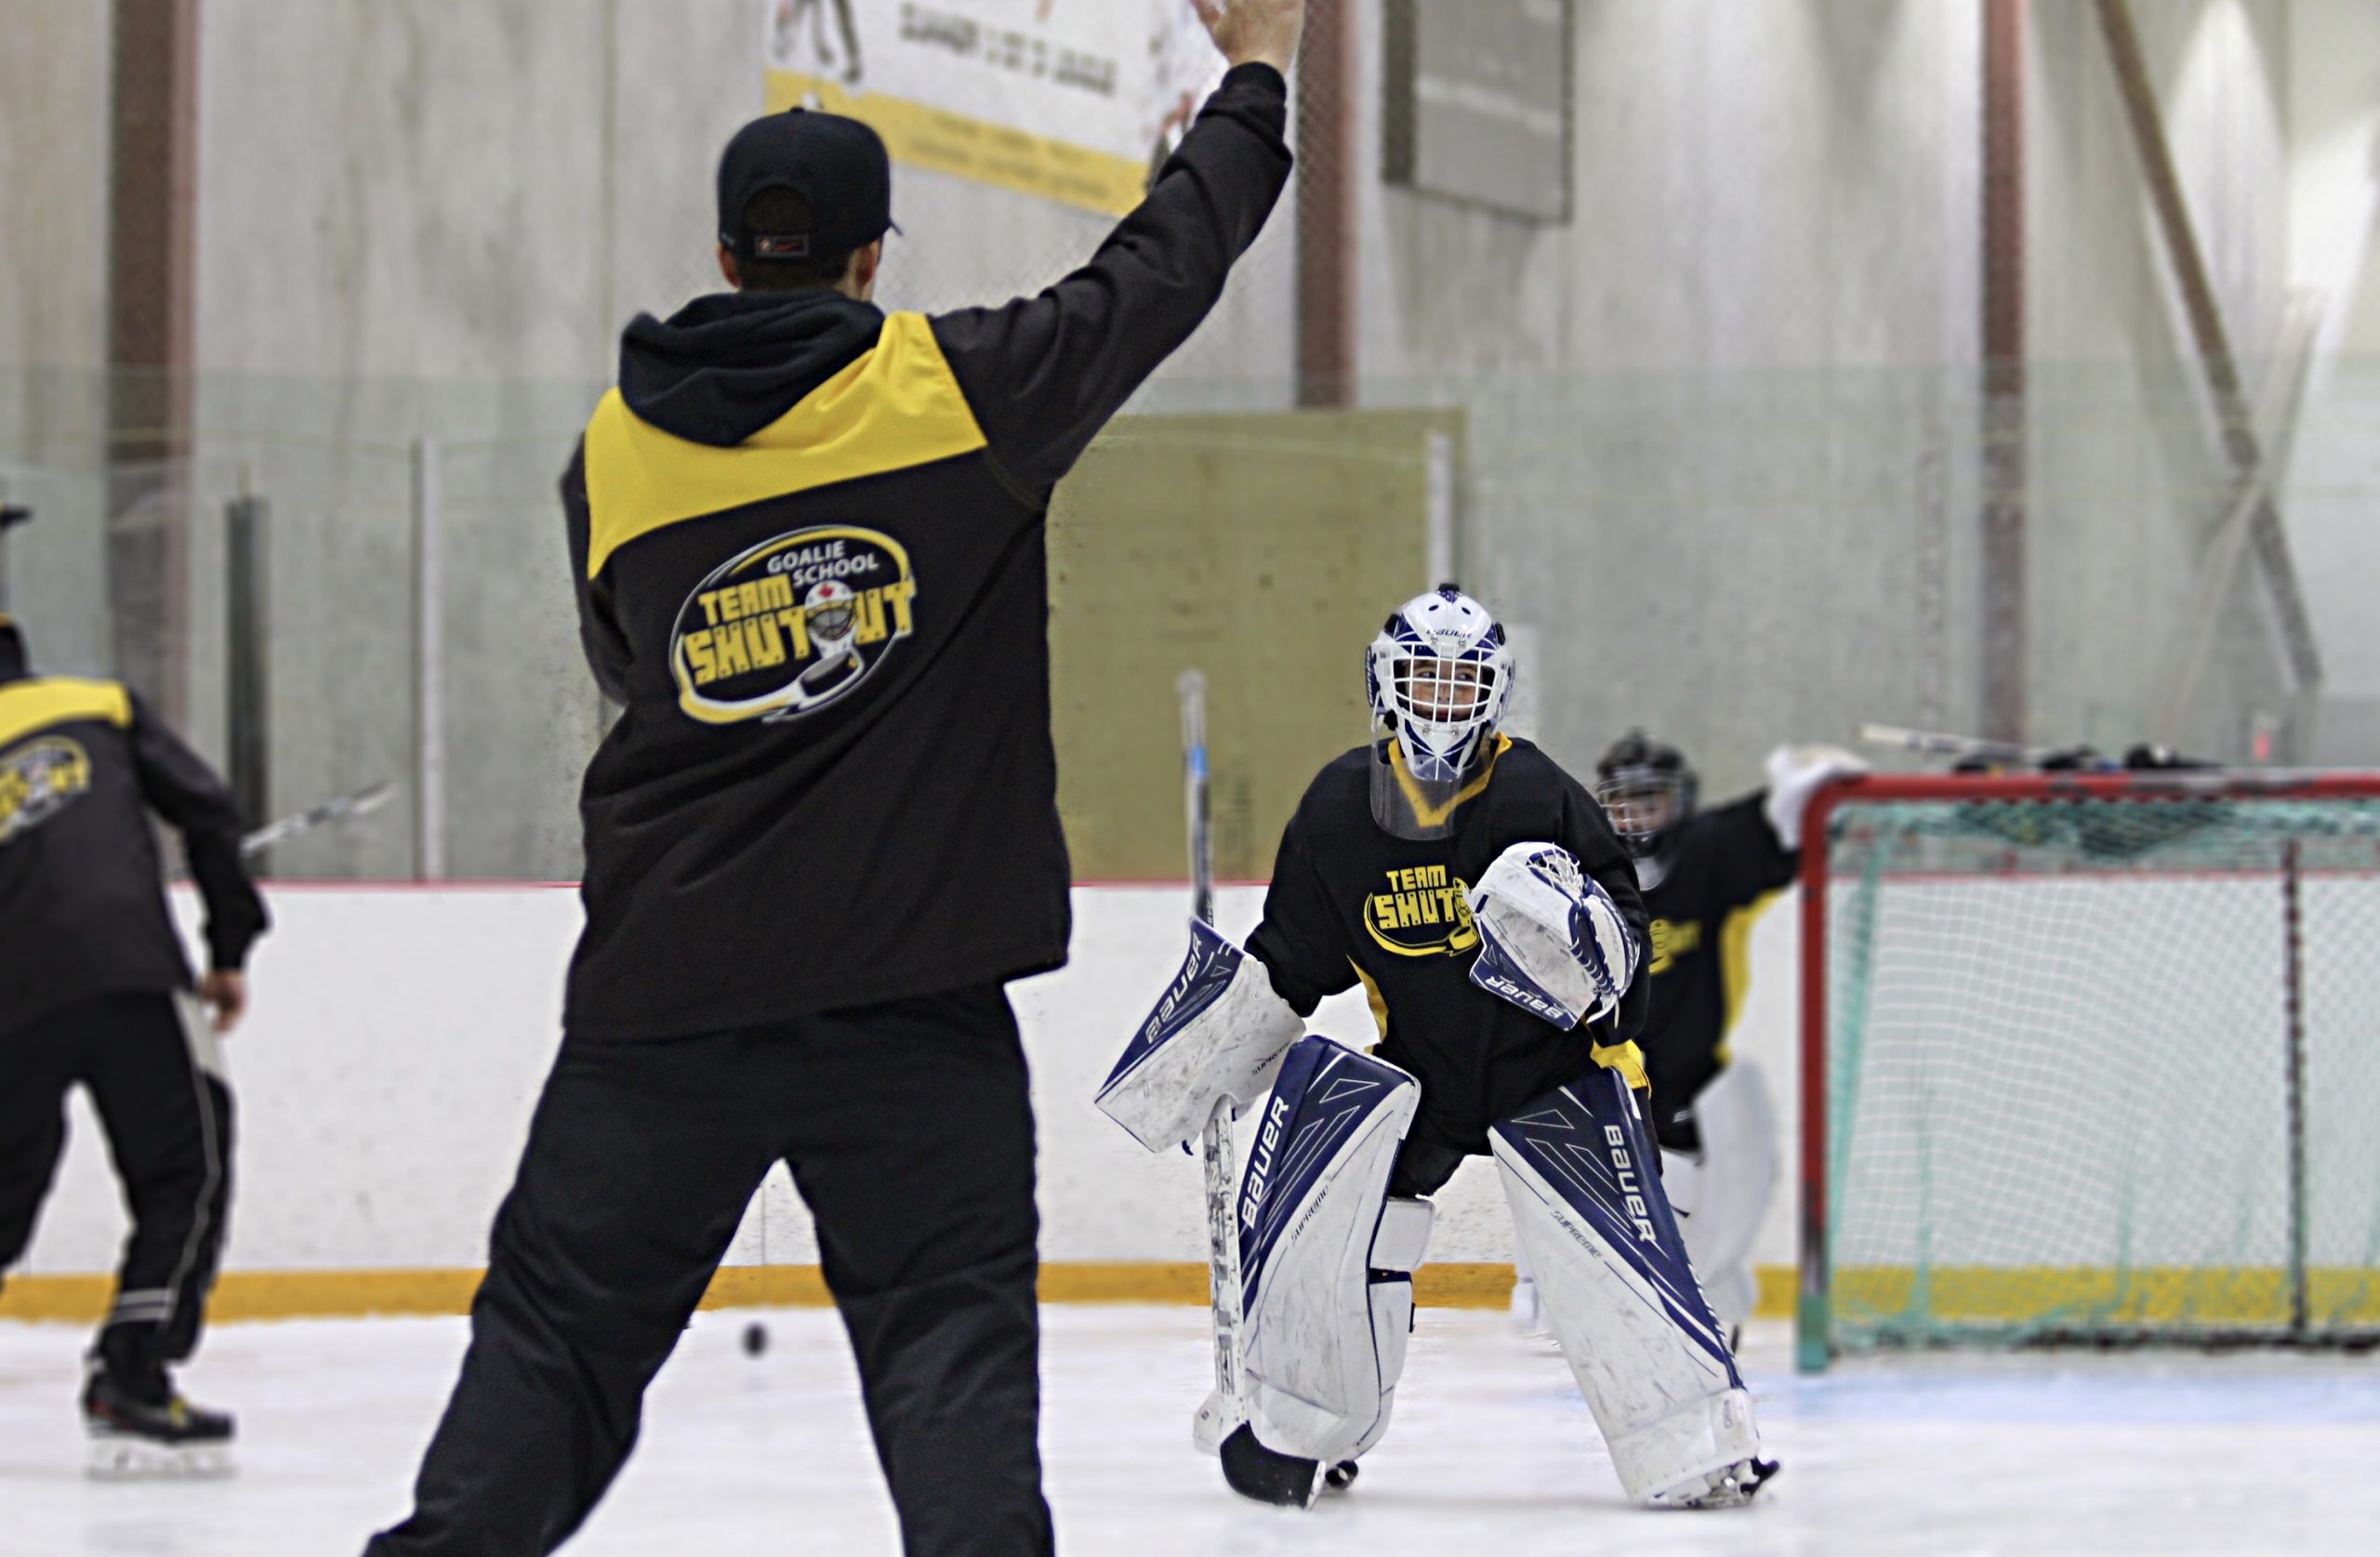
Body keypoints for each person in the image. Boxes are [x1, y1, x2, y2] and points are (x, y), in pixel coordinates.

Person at [364, 3, 1303, 1553]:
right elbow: (1167, 268)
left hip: (661, 1002)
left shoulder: (614, 451)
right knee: (950, 1359)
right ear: (875, 257)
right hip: (908, 1009)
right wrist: (1254, 65)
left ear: (731, 257)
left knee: (555, 1351)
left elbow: (633, 673)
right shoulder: (962, 394)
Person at [1095, 588, 1776, 1511]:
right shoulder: (1339, 811)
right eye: (1424, 678)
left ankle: (1694, 1442)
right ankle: (1304, 1424)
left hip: (1553, 1072)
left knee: (1607, 1256)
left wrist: (1588, 956)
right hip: (1424, 1069)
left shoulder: (1538, 792)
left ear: (1492, 693)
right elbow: (1290, 958)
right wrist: (1207, 1060)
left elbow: (1625, 933)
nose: (1441, 703)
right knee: (1329, 1217)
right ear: (1384, 684)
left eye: (1463, 683)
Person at [0, 613, 266, 1476]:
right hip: (129, 973)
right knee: (185, 1170)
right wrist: (227, 943)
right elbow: (210, 811)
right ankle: (133, 1368)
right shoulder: (100, 704)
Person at [1541, 728, 1861, 1336]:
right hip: (1608, 1071)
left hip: (1690, 1078)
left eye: (1649, 801)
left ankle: (1696, 1306)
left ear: (1678, 801)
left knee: (1693, 1198)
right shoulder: (1582, 874)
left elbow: (1781, 824)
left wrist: (1806, 780)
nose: (1635, 818)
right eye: (1622, 803)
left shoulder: (1708, 850)